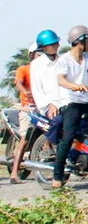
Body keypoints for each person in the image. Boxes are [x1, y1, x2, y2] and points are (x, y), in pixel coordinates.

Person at [53, 25, 88, 189]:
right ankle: (57, 176)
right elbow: (61, 80)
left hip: (85, 101)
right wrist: (74, 86)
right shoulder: (64, 60)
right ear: (80, 41)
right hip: (70, 102)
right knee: (68, 136)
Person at [9, 42, 38, 184]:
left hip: (44, 108)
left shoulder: (46, 72)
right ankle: (14, 173)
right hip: (29, 108)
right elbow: (19, 83)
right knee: (25, 139)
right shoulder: (24, 69)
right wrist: (26, 91)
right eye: (39, 53)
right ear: (32, 55)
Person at [29, 30, 62, 120]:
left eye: (56, 43)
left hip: (67, 105)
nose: (56, 46)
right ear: (43, 47)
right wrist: (50, 105)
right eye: (52, 44)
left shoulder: (64, 61)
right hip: (49, 106)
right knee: (58, 121)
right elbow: (37, 91)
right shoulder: (36, 65)